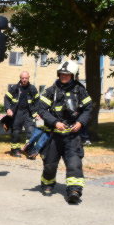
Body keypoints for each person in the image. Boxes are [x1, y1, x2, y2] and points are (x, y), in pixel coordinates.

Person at [37, 60, 93, 204]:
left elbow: (88, 108)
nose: (63, 76)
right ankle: (47, 184)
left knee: (74, 164)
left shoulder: (80, 90)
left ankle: (74, 191)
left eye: (67, 75)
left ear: (73, 76)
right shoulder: (51, 90)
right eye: (62, 74)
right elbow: (41, 108)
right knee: (49, 165)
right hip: (53, 136)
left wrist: (80, 122)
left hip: (72, 136)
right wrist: (55, 122)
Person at [4, 71, 39, 157]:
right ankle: (15, 150)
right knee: (16, 132)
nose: (24, 80)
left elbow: (37, 101)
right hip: (17, 113)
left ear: (28, 78)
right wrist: (8, 109)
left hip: (28, 113)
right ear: (20, 78)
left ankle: (29, 150)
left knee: (31, 130)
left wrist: (36, 112)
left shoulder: (32, 88)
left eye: (26, 78)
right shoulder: (14, 88)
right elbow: (6, 98)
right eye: (22, 78)